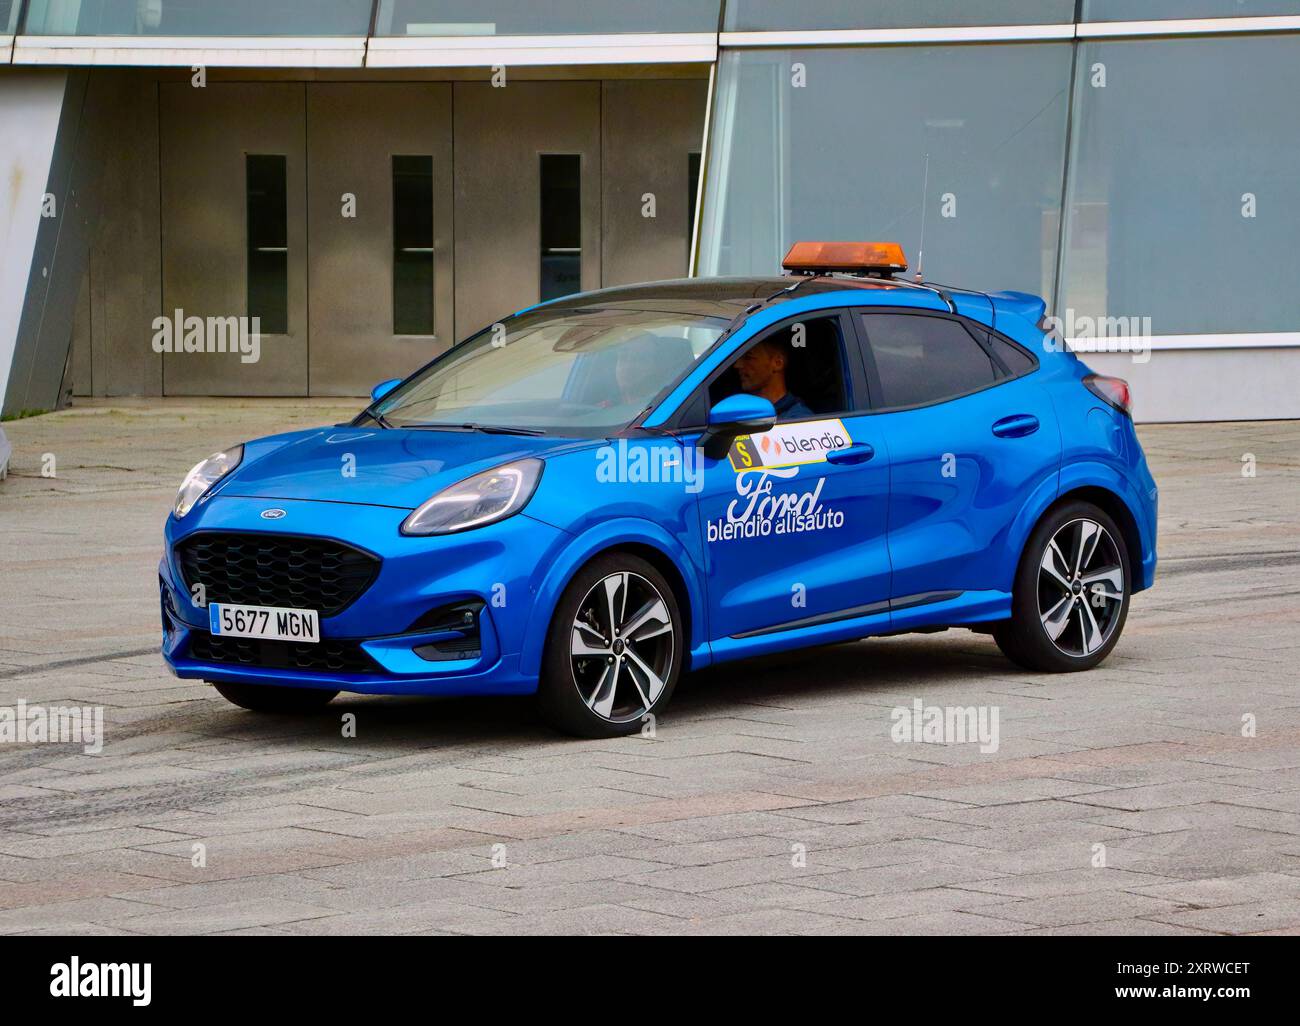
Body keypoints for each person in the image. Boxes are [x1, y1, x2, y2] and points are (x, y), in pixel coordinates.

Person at [734, 338, 812, 419]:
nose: (737, 365)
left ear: (777, 363)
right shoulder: (746, 411)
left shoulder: (798, 419)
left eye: (748, 357)